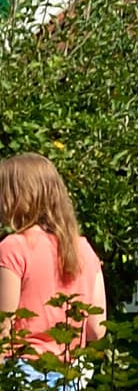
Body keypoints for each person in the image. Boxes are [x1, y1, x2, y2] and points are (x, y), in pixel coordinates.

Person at [0, 154, 108, 373]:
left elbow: (3, 329)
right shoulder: (84, 249)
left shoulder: (13, 247)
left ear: (17, 197)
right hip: (71, 378)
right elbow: (97, 330)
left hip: (24, 374)